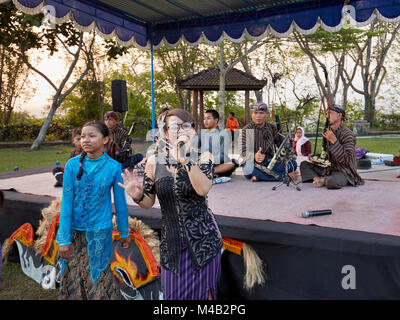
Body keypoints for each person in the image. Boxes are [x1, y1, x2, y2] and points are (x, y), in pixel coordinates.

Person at [119, 108, 222, 300]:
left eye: (187, 125)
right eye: (175, 126)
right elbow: (149, 202)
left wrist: (185, 156)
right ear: (166, 132)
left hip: (204, 243)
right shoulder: (153, 162)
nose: (182, 130)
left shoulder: (203, 157)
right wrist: (137, 195)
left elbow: (202, 189)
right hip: (172, 246)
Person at [56, 120, 131, 300]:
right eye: (82, 136)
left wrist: (124, 232)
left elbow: (120, 205)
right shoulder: (73, 166)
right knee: (73, 274)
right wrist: (64, 238)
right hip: (74, 231)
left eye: (91, 136)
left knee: (98, 273)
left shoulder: (113, 167)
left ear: (105, 139)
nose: (85, 140)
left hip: (100, 231)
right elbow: (66, 202)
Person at [299, 105, 364, 189]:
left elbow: (347, 160)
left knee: (332, 181)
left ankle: (325, 180)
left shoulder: (348, 134)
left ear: (339, 115)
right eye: (326, 113)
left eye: (330, 113)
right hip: (329, 169)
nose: (327, 116)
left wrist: (334, 141)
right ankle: (318, 179)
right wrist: (315, 157)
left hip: (344, 171)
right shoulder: (329, 131)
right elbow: (328, 157)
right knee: (304, 165)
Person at [241, 102, 297, 182]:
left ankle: (261, 176)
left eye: (261, 113)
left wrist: (288, 144)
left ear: (266, 114)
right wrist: (254, 156)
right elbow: (243, 152)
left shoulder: (272, 127)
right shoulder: (246, 130)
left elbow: (281, 145)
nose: (258, 116)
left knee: (293, 164)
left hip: (269, 162)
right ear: (252, 114)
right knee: (249, 169)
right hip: (253, 163)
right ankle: (283, 177)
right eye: (255, 113)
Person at [199, 109, 236, 178]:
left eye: (208, 118)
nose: (205, 121)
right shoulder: (202, 133)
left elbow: (222, 155)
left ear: (216, 120)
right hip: (203, 162)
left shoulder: (223, 134)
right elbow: (193, 147)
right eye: (204, 119)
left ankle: (209, 172)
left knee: (232, 163)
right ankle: (213, 173)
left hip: (217, 163)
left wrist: (210, 159)